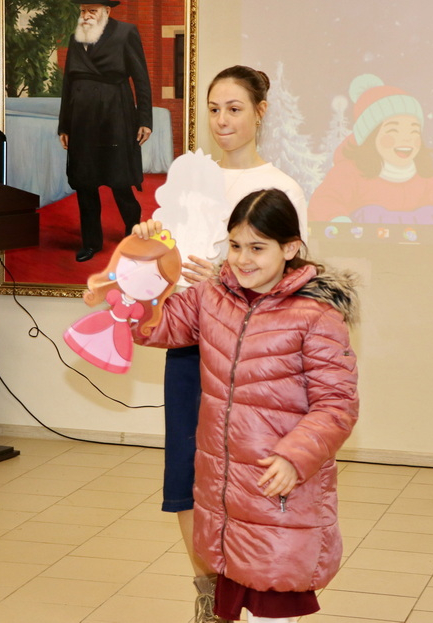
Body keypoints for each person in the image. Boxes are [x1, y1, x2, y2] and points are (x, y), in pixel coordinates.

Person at [133, 189, 359, 623]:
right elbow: (150, 328)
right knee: (236, 599)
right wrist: (144, 262)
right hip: (227, 495)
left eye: (257, 248)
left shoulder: (316, 316)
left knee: (272, 606)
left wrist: (295, 457)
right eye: (235, 245)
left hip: (277, 492)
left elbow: (337, 404)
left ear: (290, 248)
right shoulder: (211, 297)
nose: (242, 259)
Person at [158, 65, 309, 623]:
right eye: (215, 109)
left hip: (251, 357)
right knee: (185, 477)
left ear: (260, 112)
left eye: (235, 109)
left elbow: (293, 280)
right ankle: (208, 594)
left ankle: (248, 590)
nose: (222, 121)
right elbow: (165, 261)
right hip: (188, 347)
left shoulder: (281, 187)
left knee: (241, 480)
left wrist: (224, 278)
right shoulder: (190, 179)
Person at [309, 74, 433, 225]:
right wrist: (340, 222)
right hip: (366, 246)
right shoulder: (350, 172)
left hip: (415, 247)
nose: (406, 139)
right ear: (371, 136)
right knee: (371, 213)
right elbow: (326, 200)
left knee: (430, 213)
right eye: (394, 131)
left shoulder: (420, 175)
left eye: (413, 131)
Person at [58, 0, 152, 262]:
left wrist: (145, 120)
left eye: (93, 10)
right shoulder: (76, 37)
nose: (86, 15)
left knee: (120, 180)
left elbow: (141, 79)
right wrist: (64, 125)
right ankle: (91, 243)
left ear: (107, 11)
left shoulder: (126, 32)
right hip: (82, 121)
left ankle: (133, 234)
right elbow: (68, 83)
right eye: (83, 10)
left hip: (115, 116)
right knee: (85, 183)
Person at [63, 230, 181, 373]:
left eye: (156, 279)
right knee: (93, 336)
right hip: (107, 319)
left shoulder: (138, 309)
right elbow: (112, 297)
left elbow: (138, 318)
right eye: (133, 266)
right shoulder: (116, 295)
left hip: (121, 329)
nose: (138, 280)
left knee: (116, 346)